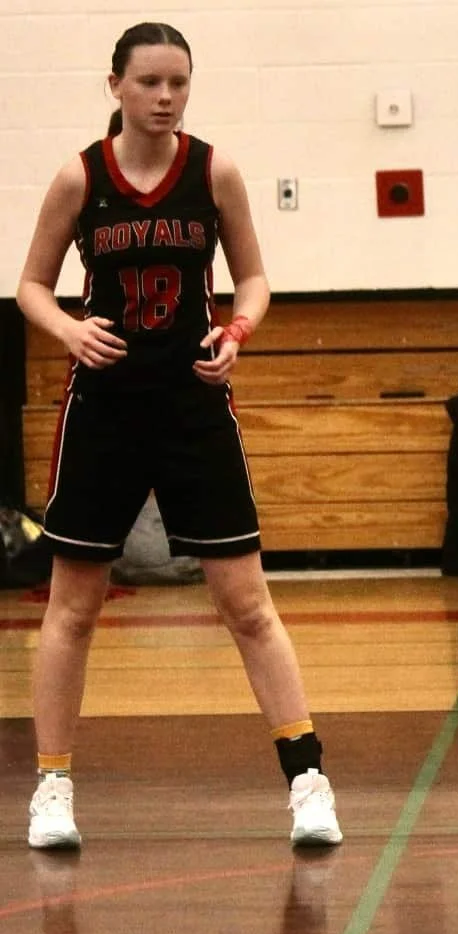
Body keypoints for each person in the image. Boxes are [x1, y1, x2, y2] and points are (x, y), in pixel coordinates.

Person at [15, 22, 341, 850]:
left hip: (194, 406)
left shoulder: (213, 170)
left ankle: (307, 777)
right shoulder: (79, 177)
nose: (166, 98)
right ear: (115, 85)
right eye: (150, 83)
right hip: (104, 407)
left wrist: (237, 331)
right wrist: (68, 330)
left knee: (247, 605)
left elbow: (256, 277)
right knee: (73, 609)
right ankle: (52, 784)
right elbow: (31, 286)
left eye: (179, 84)